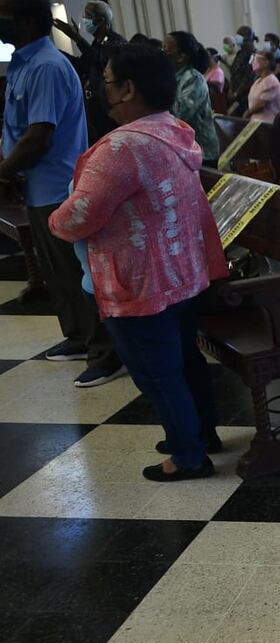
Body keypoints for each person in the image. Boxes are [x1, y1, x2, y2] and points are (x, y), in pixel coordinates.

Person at [51, 44, 228, 480]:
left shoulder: (121, 148)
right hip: (182, 273)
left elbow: (78, 216)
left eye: (106, 82)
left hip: (140, 284)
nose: (101, 89)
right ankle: (202, 432)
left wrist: (55, 218)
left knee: (157, 374)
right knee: (185, 360)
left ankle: (188, 455)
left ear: (128, 89)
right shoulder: (175, 130)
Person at [1, 0, 123, 387]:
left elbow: (39, 135)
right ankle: (77, 336)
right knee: (57, 272)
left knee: (78, 272)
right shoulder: (24, 64)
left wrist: (3, 172)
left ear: (27, 20)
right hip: (36, 187)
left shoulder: (47, 67)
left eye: (5, 13)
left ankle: (106, 352)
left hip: (58, 185)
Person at [52, 1, 125, 144]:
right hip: (96, 110)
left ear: (101, 20)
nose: (84, 19)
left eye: (88, 16)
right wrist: (54, 52)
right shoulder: (96, 43)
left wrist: (77, 39)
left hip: (109, 110)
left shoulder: (115, 42)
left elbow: (101, 61)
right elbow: (83, 65)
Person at [163, 31, 220, 164]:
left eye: (166, 50)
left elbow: (180, 115)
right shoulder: (172, 77)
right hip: (184, 150)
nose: (161, 54)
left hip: (202, 152)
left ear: (181, 57)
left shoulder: (193, 79)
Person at [244, 51, 280, 123]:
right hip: (255, 120)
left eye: (256, 59)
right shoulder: (258, 81)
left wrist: (248, 113)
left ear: (266, 62)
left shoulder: (271, 81)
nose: (253, 62)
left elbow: (261, 104)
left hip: (266, 121)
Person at [229, 26, 258, 111]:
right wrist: (231, 90)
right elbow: (233, 73)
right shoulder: (239, 54)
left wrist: (236, 93)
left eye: (240, 36)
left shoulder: (254, 55)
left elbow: (249, 76)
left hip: (246, 96)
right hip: (235, 95)